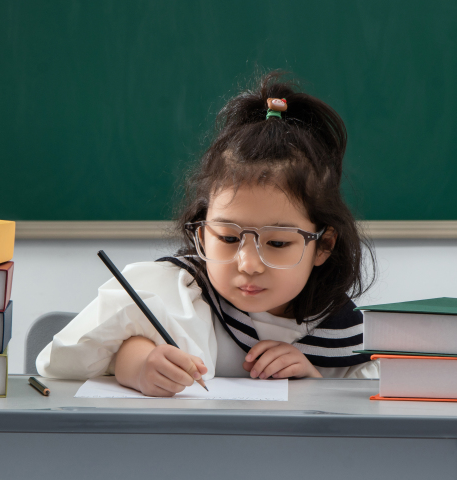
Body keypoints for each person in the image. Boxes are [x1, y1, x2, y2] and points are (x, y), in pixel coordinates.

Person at [36, 71, 377, 396]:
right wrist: (136, 363)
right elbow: (58, 362)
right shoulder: (177, 293)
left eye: (276, 243)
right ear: (202, 229)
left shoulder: (344, 331)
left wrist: (313, 382)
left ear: (323, 245)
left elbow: (367, 417)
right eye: (227, 238)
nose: (248, 264)